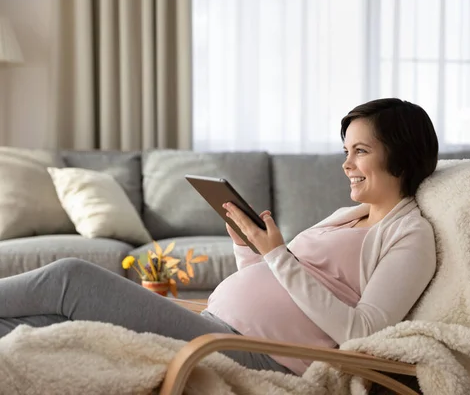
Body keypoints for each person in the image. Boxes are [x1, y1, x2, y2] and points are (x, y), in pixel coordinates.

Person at [0, 98, 438, 377]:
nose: (346, 164)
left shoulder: (409, 235)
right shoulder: (350, 215)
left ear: (401, 154)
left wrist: (278, 255)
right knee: (41, 327)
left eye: (360, 151)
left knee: (72, 278)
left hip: (257, 355)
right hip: (217, 325)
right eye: (346, 151)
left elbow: (363, 330)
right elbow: (275, 283)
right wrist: (248, 249)